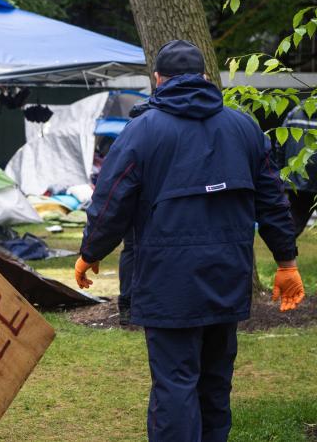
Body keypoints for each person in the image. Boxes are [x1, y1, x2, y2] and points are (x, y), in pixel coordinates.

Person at [73, 40, 306, 442]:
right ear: (204, 78)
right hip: (226, 278)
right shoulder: (244, 127)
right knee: (215, 383)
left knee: (175, 386)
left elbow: (111, 199)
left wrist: (90, 252)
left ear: (157, 79)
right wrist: (286, 261)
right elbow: (272, 200)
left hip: (168, 284)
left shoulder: (143, 130)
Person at [279, 106, 317, 236]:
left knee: (294, 222)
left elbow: (280, 144)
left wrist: (282, 173)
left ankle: (286, 251)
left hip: (294, 177)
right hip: (313, 179)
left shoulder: (294, 112)